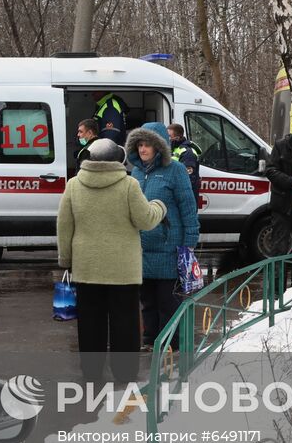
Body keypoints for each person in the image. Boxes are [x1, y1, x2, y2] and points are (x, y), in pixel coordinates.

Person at [56, 138, 167, 386]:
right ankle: (125, 374)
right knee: (125, 324)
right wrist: (159, 206)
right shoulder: (129, 185)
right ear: (118, 160)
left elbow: (64, 226)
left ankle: (92, 373)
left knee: (90, 324)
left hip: (86, 268)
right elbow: (146, 220)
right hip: (123, 270)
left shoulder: (74, 185)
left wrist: (66, 259)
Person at [126, 122, 200, 348]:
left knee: (168, 301)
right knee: (147, 300)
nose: (142, 149)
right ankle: (150, 339)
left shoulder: (175, 170)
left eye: (147, 144)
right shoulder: (136, 172)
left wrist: (189, 243)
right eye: (139, 144)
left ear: (159, 146)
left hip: (169, 248)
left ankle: (172, 343)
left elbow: (188, 207)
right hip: (142, 249)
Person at [265, 128, 292, 285]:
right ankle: (277, 292)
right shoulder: (282, 146)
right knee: (279, 250)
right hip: (283, 208)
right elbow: (270, 170)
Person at [167, 122, 202, 203]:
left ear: (177, 138)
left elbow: (188, 179)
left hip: (185, 197)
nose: (167, 139)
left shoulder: (188, 153)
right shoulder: (173, 149)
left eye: (169, 136)